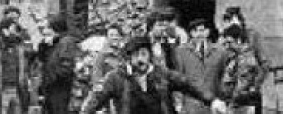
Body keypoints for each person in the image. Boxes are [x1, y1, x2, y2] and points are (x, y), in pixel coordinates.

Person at [81, 35, 226, 114]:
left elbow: (189, 85)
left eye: (143, 54)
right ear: (129, 58)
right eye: (136, 55)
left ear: (149, 55)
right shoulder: (116, 77)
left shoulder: (162, 74)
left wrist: (213, 100)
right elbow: (95, 98)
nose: (140, 59)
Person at [0, 18, 32, 114]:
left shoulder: (19, 45)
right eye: (12, 27)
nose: (14, 30)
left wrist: (27, 81)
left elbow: (26, 65)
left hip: (18, 87)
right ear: (4, 30)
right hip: (1, 87)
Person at [174, 19, 223, 114]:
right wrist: (178, 103)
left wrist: (220, 100)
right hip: (190, 104)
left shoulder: (219, 51)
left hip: (213, 104)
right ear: (191, 33)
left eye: (202, 30)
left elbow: (222, 76)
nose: (199, 34)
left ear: (208, 32)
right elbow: (178, 78)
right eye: (195, 31)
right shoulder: (181, 51)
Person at [216, 24, 265, 114]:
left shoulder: (246, 59)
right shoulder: (235, 56)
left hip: (244, 104)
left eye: (230, 42)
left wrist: (230, 105)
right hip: (240, 102)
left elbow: (242, 86)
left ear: (238, 40)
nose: (227, 46)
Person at [37, 13, 79, 114]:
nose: (44, 31)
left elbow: (66, 67)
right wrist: (44, 46)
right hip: (50, 88)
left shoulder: (66, 42)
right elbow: (43, 60)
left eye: (47, 28)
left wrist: (52, 78)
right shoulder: (54, 42)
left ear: (55, 28)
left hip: (59, 89)